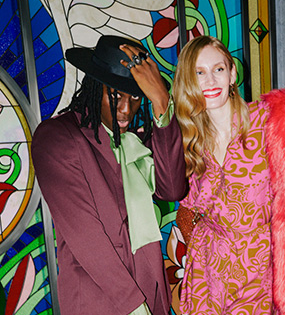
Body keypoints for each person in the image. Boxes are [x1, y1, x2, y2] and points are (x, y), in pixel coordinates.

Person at [172, 35, 285, 314]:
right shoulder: (189, 139)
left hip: (259, 279)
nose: (210, 81)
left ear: (233, 73)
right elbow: (185, 207)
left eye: (218, 70)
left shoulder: (271, 120)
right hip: (207, 280)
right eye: (199, 73)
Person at [31, 35, 187, 315]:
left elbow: (173, 189)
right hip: (100, 301)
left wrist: (162, 104)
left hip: (152, 293)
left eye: (136, 96)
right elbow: (87, 238)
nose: (126, 110)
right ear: (94, 85)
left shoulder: (138, 141)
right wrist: (134, 307)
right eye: (115, 95)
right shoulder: (57, 137)